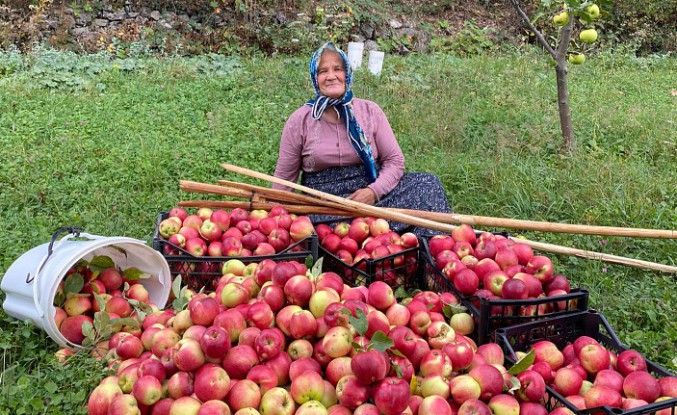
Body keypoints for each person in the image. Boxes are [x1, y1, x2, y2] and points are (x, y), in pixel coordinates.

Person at [272, 42, 451, 234]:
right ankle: (378, 235)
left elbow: (394, 161)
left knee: (427, 184)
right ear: (315, 78)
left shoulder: (369, 111)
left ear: (347, 73)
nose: (331, 76)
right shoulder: (300, 119)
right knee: (330, 231)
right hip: (327, 207)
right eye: (323, 71)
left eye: (337, 69)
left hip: (372, 196)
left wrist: (373, 192)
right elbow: (284, 178)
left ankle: (426, 250)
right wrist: (272, 217)